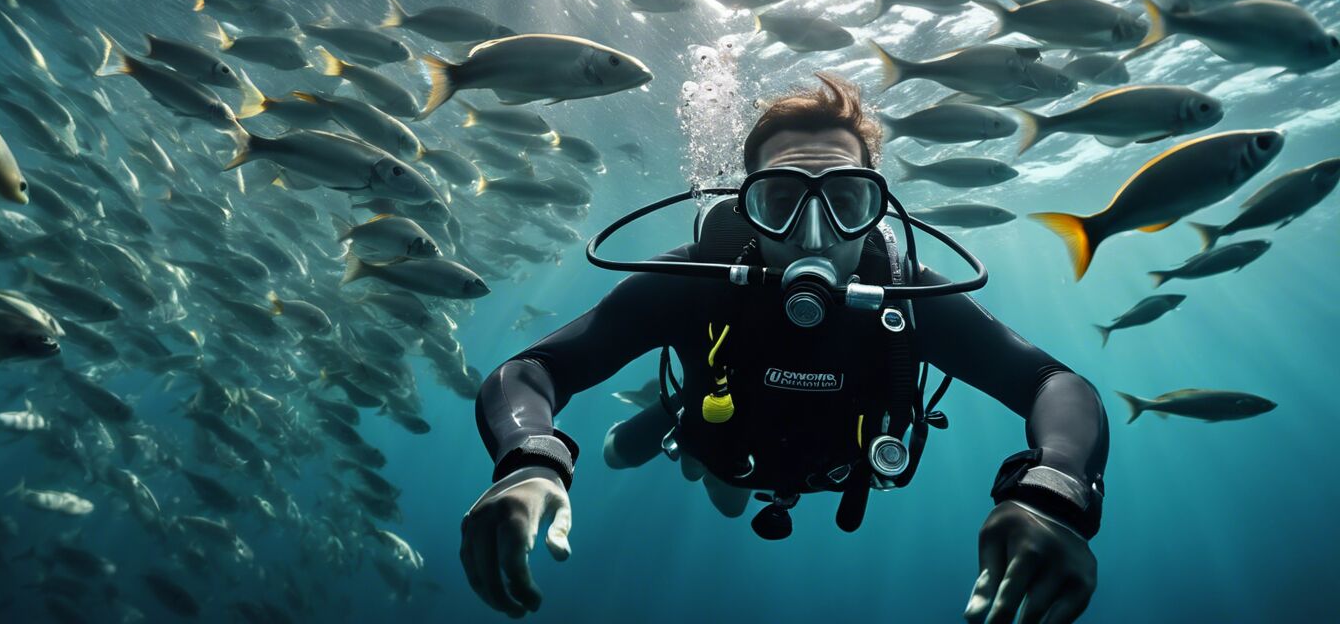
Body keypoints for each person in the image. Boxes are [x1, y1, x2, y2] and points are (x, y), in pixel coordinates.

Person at [461, 72, 1108, 624]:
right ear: (750, 207)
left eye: (846, 201)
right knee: (717, 485)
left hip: (839, 466)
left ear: (874, 209)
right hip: (727, 449)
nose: (814, 234)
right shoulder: (694, 281)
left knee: (713, 472)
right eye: (782, 200)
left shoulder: (907, 294)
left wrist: (1053, 493)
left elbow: (1054, 384)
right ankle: (679, 413)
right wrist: (528, 458)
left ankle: (680, 410)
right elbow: (535, 370)